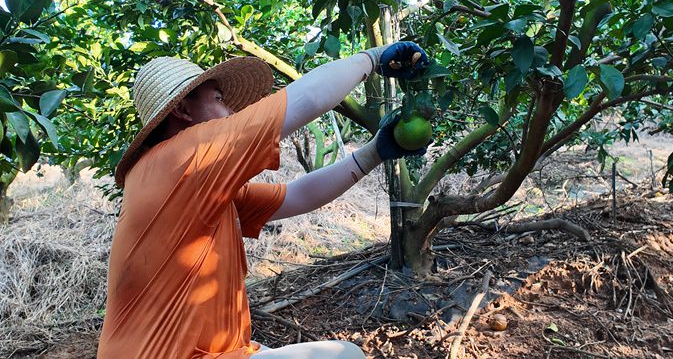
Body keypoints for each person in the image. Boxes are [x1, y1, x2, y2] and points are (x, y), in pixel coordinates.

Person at [97, 42, 431, 358]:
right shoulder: (185, 157)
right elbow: (308, 98)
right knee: (347, 355)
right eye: (217, 99)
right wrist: (373, 57)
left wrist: (374, 152)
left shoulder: (188, 183)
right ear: (183, 110)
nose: (229, 111)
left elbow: (298, 195)